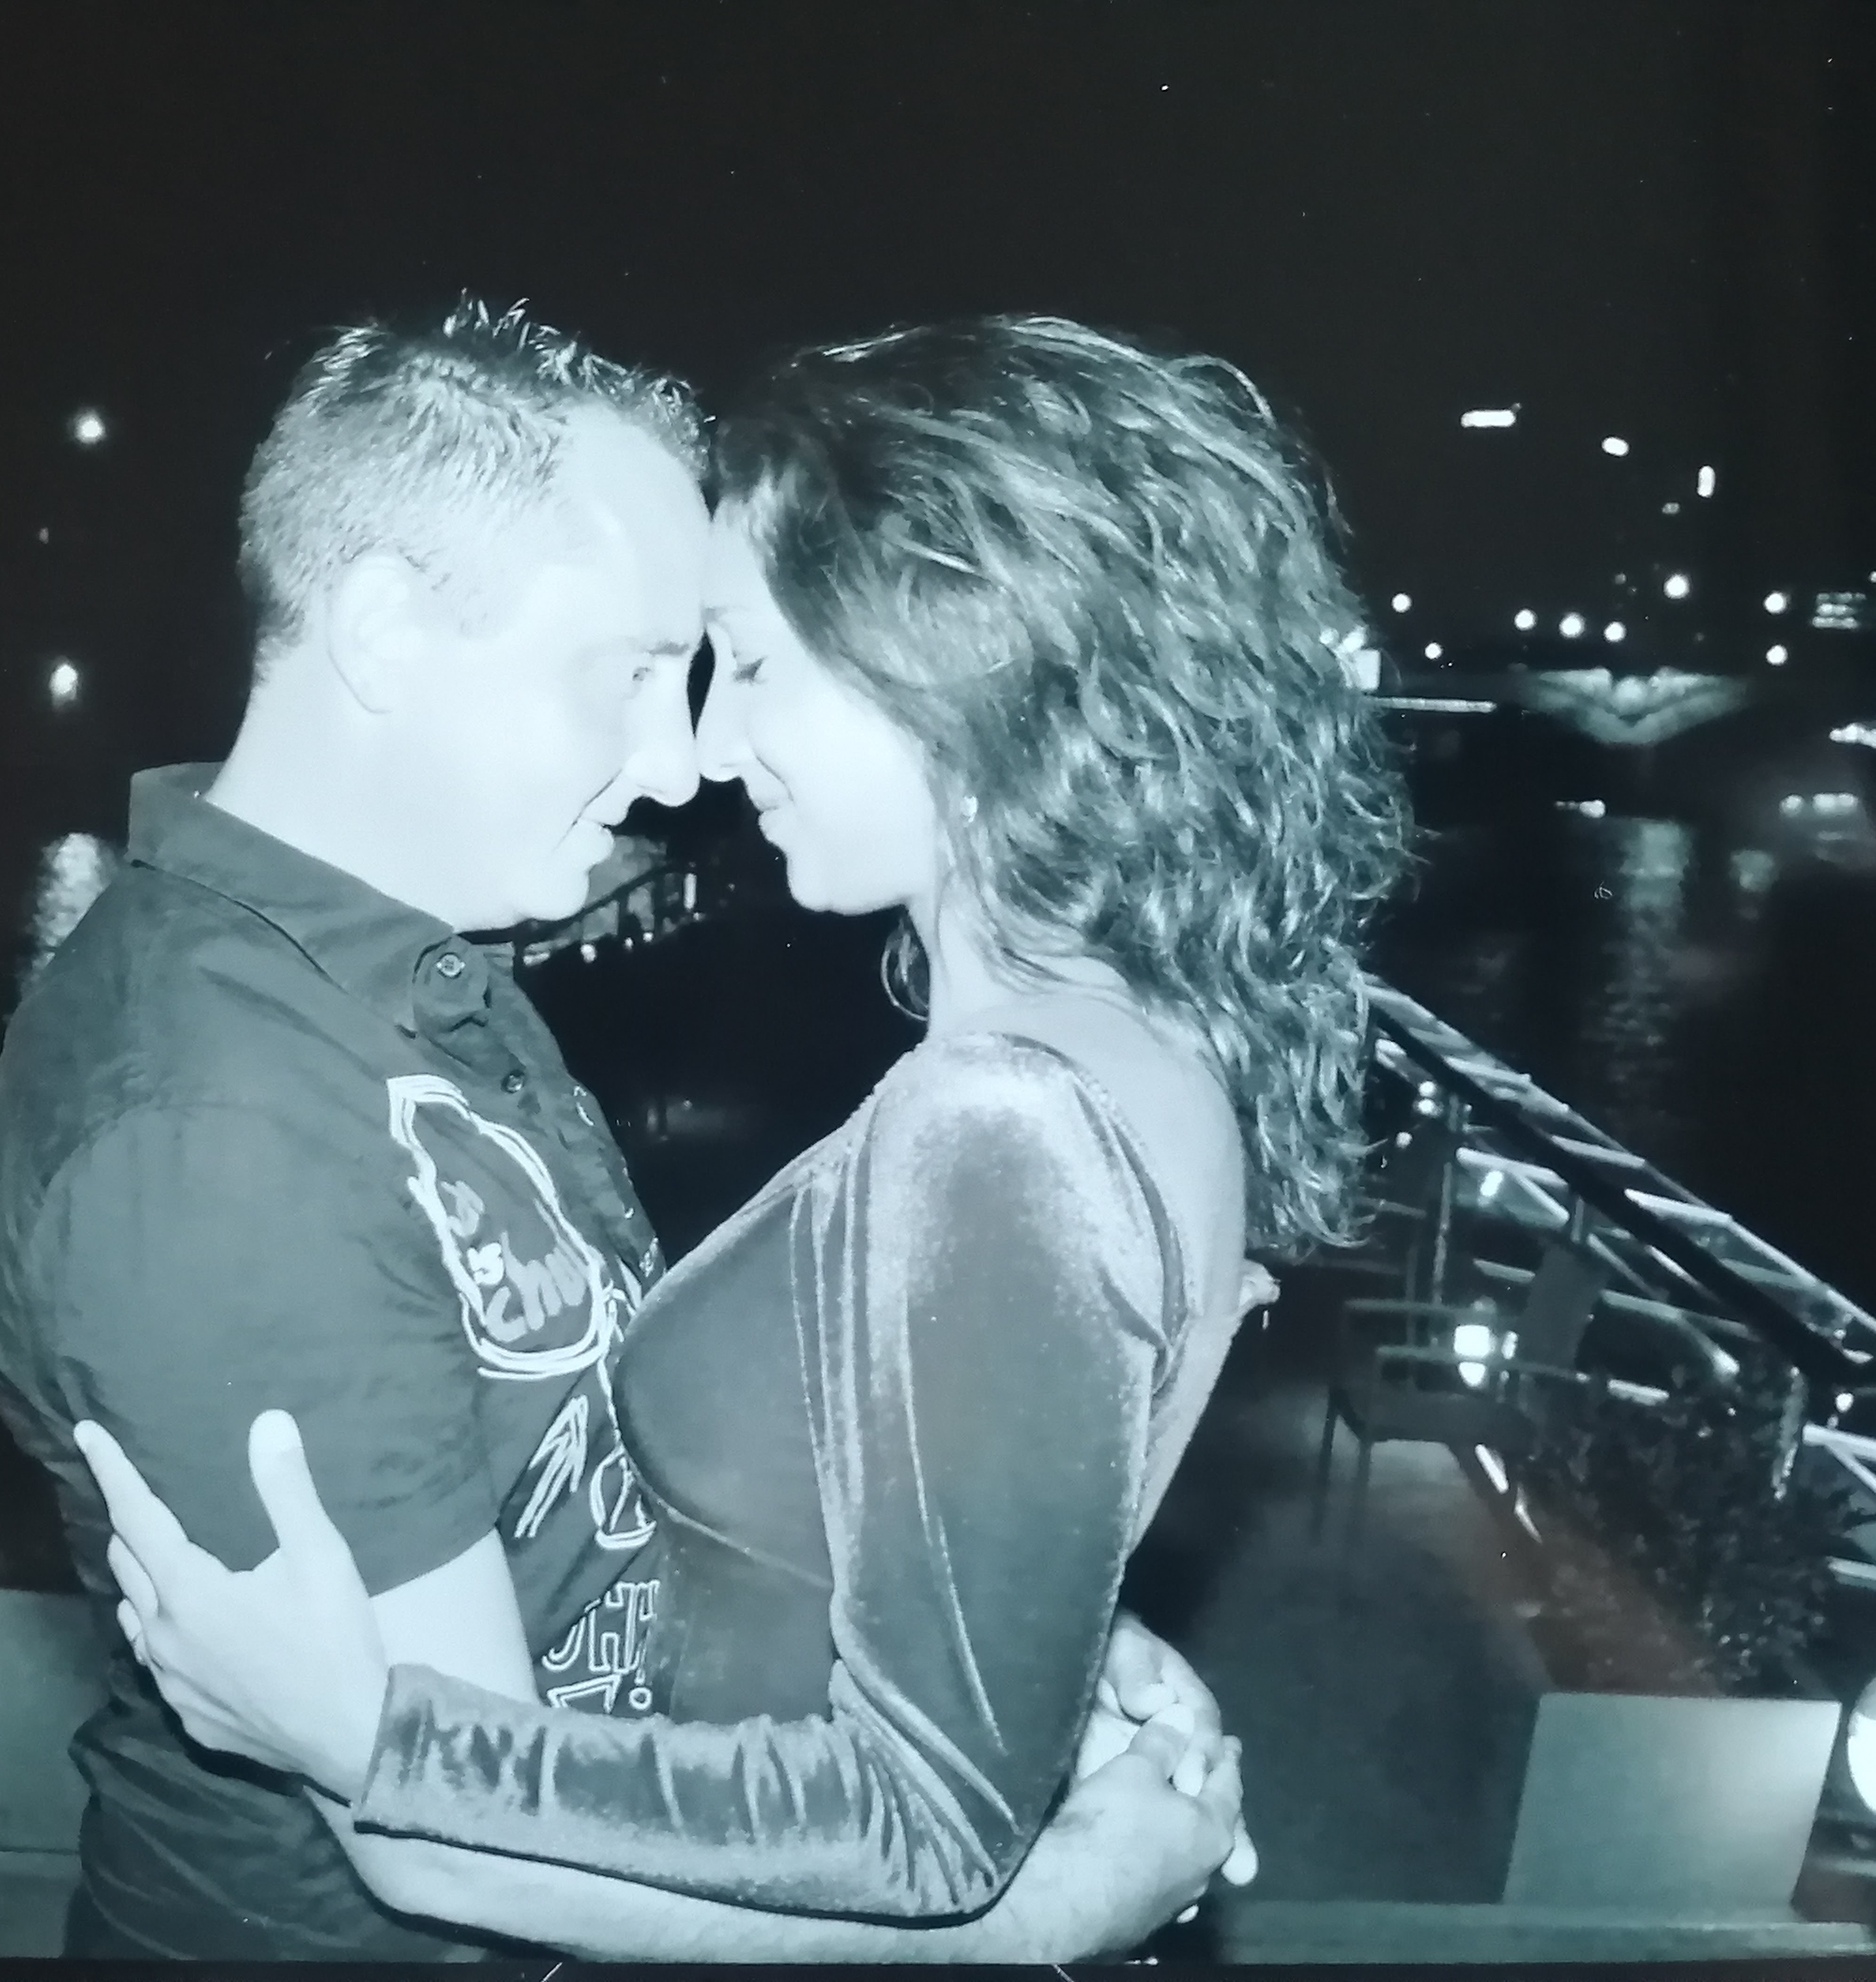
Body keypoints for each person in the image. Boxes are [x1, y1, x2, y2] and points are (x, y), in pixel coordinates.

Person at [78, 315, 1412, 1957]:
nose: (704, 751)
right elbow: (919, 1512)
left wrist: (374, 1744)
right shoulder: (1143, 1055)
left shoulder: (1002, 1125)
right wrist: (1041, 1644)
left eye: (750, 666)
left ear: (954, 661)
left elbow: (923, 1830)